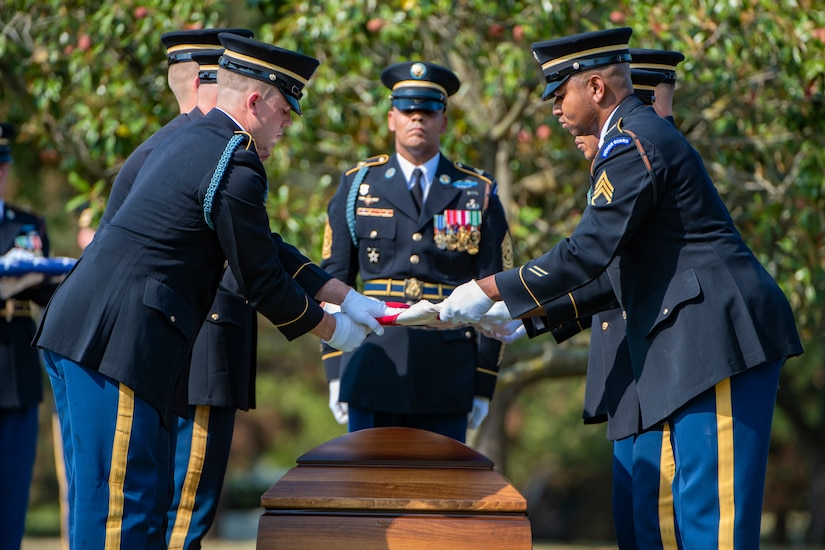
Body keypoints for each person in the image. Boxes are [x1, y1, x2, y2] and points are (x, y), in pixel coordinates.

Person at [440, 27, 803, 548]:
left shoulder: (633, 142)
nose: (555, 111)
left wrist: (489, 289)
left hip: (717, 337)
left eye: (560, 94)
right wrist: (528, 317)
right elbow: (614, 271)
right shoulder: (627, 140)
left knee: (712, 527)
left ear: (595, 89)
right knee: (685, 524)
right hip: (694, 339)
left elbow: (587, 250)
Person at [33, 33, 385, 548]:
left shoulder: (186, 138)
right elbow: (260, 278)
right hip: (118, 341)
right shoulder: (236, 163)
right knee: (121, 510)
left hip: (91, 334)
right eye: (286, 110)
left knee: (123, 502)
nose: (288, 125)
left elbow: (262, 242)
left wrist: (342, 292)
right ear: (254, 102)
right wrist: (335, 330)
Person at [320, 61, 512, 442]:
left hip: (448, 371)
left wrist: (484, 382)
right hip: (371, 364)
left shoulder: (477, 191)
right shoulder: (358, 187)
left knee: (442, 499)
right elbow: (332, 283)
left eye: (428, 110)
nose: (417, 118)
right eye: (408, 110)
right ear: (392, 118)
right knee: (369, 495)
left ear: (443, 121)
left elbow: (497, 293)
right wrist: (334, 371)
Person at [0, 122, 59, 549]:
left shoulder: (27, 223)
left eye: (2, 165)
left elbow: (49, 293)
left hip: (16, 368)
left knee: (11, 489)